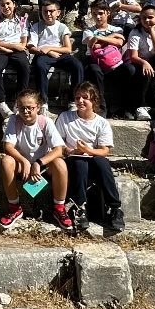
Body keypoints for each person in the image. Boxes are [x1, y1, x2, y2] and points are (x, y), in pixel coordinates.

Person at [56, 83, 123, 232]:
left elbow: (105, 150)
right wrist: (73, 150)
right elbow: (58, 145)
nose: (80, 101)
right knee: (80, 162)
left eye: (85, 97)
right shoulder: (65, 117)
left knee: (102, 162)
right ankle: (79, 207)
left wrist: (87, 150)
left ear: (94, 100)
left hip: (92, 159)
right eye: (77, 98)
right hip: (73, 160)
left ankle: (115, 208)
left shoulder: (101, 123)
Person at [0, 89, 67, 228]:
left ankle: (59, 208)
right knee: (6, 161)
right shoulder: (14, 120)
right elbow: (8, 146)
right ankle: (14, 207)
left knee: (60, 164)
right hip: (22, 164)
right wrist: (24, 161)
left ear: (38, 107)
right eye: (22, 108)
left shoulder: (45, 122)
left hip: (42, 165)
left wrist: (38, 163)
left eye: (30, 108)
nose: (26, 111)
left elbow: (59, 149)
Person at [111, 4, 155, 119]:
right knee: (145, 73)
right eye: (144, 18)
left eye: (150, 17)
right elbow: (133, 56)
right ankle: (142, 106)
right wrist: (144, 63)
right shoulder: (135, 32)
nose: (147, 20)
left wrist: (152, 31)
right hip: (137, 63)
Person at [0, 0, 32, 119]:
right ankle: (1, 102)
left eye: (8, 3)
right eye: (2, 5)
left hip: (16, 50)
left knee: (25, 66)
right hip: (0, 51)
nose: (6, 7)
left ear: (14, 4)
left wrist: (9, 48)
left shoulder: (22, 21)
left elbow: (23, 43)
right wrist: (11, 46)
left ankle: (19, 100)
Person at [28, 0, 83, 102]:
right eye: (45, 11)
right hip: (42, 55)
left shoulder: (62, 27)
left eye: (51, 11)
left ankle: (74, 100)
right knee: (40, 66)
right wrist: (47, 52)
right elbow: (31, 47)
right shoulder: (36, 27)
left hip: (60, 54)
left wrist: (49, 48)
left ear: (58, 12)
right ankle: (43, 100)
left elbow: (68, 48)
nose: (48, 14)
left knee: (77, 66)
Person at [78, 0, 126, 113]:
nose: (98, 17)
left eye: (100, 13)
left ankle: (126, 107)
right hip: (94, 60)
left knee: (129, 69)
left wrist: (98, 37)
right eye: (94, 14)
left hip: (113, 61)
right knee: (94, 70)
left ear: (108, 13)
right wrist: (112, 37)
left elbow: (119, 43)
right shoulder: (88, 31)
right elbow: (94, 46)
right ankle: (101, 106)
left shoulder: (116, 29)